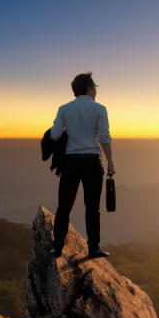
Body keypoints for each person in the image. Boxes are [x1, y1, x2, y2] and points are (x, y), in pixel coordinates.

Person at [49, 72, 116, 258]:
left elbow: (54, 135)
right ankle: (93, 248)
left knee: (64, 206)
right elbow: (104, 137)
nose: (95, 91)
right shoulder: (100, 109)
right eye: (94, 87)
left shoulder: (64, 109)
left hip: (70, 163)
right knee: (92, 207)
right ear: (88, 88)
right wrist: (110, 163)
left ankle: (57, 248)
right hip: (92, 163)